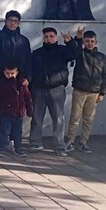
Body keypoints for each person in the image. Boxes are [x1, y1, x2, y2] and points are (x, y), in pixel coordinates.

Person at [29, 27, 79, 157]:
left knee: (58, 118)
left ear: (56, 38)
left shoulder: (62, 51)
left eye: (51, 36)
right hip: (39, 88)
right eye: (46, 37)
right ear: (43, 38)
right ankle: (35, 143)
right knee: (36, 117)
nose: (49, 39)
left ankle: (59, 145)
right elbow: (31, 70)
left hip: (56, 89)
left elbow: (75, 53)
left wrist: (70, 42)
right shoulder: (37, 53)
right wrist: (30, 86)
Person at [0, 10, 32, 154]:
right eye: (10, 20)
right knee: (0, 111)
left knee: (17, 113)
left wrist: (27, 78)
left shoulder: (24, 41)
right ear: (5, 21)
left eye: (15, 21)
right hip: (1, 80)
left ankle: (13, 141)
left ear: (19, 23)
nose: (12, 23)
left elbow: (28, 60)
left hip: (18, 82)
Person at [66, 28, 106, 154]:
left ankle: (84, 142)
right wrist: (78, 39)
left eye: (92, 41)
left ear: (96, 42)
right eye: (87, 41)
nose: (90, 43)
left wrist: (102, 92)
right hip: (80, 90)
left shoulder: (101, 57)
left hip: (94, 91)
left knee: (88, 119)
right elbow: (74, 50)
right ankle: (70, 141)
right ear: (84, 42)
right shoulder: (80, 54)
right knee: (75, 117)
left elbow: (104, 75)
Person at [0, 63, 32, 158]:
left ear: (16, 73)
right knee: (4, 131)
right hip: (7, 112)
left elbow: (27, 97)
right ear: (4, 73)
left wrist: (29, 109)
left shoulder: (22, 83)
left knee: (18, 132)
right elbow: (1, 94)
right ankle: (1, 148)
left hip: (19, 113)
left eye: (12, 73)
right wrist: (10, 83)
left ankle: (18, 148)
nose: (10, 75)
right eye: (8, 73)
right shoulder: (2, 83)